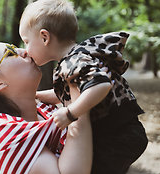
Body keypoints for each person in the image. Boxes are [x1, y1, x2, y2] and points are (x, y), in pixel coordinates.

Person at [19, 0, 148, 173]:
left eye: (27, 41)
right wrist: (36, 95)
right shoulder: (76, 58)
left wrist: (71, 113)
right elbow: (66, 94)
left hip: (117, 132)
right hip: (121, 131)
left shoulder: (74, 61)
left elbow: (101, 85)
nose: (25, 50)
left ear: (45, 37)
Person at [0, 40, 93, 174]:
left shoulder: (45, 110)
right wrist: (76, 93)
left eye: (15, 47)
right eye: (11, 53)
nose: (25, 51)